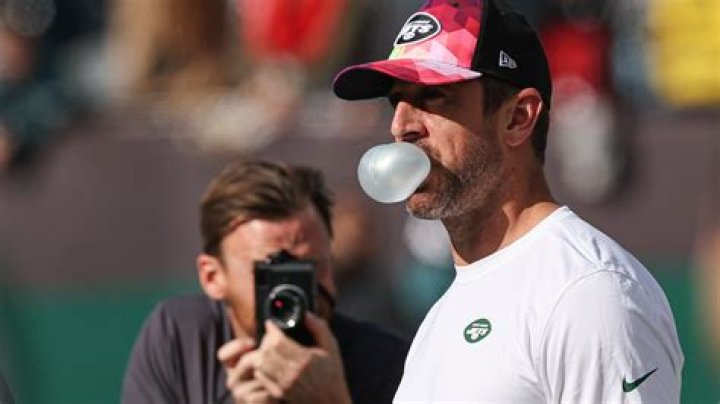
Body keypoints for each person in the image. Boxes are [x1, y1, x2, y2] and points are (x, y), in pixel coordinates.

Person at [332, 0, 684, 402]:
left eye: (433, 97)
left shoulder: (588, 292)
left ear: (518, 118)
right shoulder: (446, 311)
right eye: (396, 101)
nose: (401, 126)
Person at [122, 160, 408, 404]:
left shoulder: (386, 362)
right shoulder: (183, 340)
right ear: (212, 277)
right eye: (272, 273)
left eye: (312, 267)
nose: (295, 291)